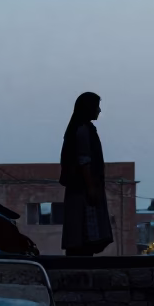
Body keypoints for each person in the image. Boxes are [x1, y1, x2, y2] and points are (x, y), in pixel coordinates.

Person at [59, 92, 113, 256]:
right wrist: (90, 187)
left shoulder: (83, 129)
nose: (99, 111)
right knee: (84, 233)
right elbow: (84, 161)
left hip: (81, 189)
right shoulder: (82, 130)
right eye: (96, 106)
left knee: (81, 233)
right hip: (82, 190)